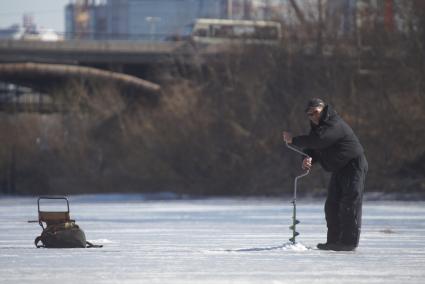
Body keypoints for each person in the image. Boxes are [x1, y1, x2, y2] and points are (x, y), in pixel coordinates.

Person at [283, 98, 368, 251]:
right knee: (332, 205)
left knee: (349, 203)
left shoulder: (334, 123)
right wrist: (307, 159)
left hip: (353, 165)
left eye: (315, 112)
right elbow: (312, 149)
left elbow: (320, 141)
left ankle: (348, 243)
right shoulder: (317, 129)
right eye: (309, 114)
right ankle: (333, 241)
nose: (313, 116)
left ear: (323, 110)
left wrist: (294, 140)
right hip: (339, 168)